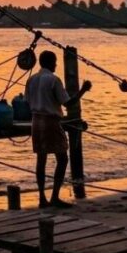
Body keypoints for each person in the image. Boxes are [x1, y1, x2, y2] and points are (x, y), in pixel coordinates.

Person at [24, 50, 92, 208]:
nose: (56, 65)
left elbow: (27, 101)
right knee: (62, 158)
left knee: (41, 160)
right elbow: (68, 103)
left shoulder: (31, 79)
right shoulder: (54, 80)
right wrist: (83, 90)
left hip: (36, 121)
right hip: (51, 121)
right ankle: (54, 196)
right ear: (49, 63)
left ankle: (42, 198)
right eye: (54, 62)